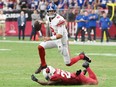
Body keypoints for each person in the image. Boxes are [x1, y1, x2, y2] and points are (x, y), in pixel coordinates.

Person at [34, 3, 91, 74]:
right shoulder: (48, 17)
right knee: (40, 47)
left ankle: (81, 56)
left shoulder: (60, 20)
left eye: (52, 11)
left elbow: (60, 35)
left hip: (62, 41)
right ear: (48, 12)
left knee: (68, 63)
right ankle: (43, 64)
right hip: (55, 40)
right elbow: (49, 21)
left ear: (55, 11)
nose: (51, 13)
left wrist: (49, 38)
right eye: (50, 11)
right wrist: (42, 22)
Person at [31, 61, 98, 85]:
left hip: (79, 78)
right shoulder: (56, 70)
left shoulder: (55, 77)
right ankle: (83, 72)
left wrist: (37, 80)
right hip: (76, 76)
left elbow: (48, 83)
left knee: (95, 82)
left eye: (47, 77)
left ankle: (87, 67)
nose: (48, 79)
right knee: (83, 78)